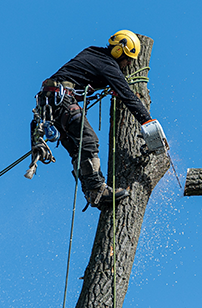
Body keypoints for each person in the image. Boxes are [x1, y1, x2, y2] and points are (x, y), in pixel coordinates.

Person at [36, 30, 153, 209]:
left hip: (50, 104)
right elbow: (128, 96)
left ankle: (92, 194)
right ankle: (98, 189)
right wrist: (148, 122)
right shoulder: (107, 64)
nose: (128, 64)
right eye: (128, 59)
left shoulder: (93, 53)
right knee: (89, 140)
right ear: (118, 51)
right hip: (61, 100)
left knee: (78, 150)